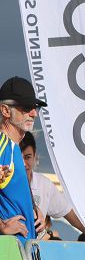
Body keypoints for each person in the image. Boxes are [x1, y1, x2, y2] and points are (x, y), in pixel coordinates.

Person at [0, 77, 46, 240]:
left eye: (35, 107)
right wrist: (2, 226)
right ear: (5, 111)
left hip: (22, 254)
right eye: (26, 107)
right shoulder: (2, 144)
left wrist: (32, 208)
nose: (34, 113)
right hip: (9, 256)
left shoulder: (12, 147)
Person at [19, 132, 85, 239]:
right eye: (19, 158)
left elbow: (72, 216)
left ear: (35, 156)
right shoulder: (4, 182)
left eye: (27, 157)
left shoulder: (44, 184)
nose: (24, 163)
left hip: (33, 252)